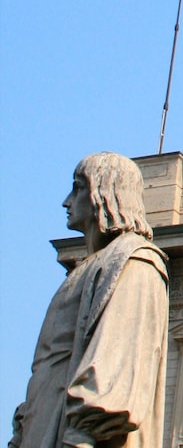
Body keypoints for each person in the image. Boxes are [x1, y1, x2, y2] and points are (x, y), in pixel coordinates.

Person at [10, 152, 169, 448]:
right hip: (45, 431)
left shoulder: (134, 261)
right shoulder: (86, 270)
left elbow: (116, 367)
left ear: (104, 193)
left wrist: (81, 436)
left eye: (77, 187)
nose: (67, 201)